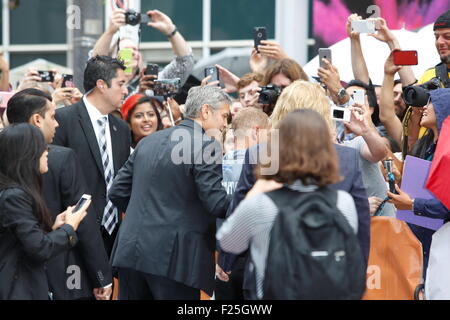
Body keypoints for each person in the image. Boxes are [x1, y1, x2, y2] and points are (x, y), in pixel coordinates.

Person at [222, 81, 370, 299]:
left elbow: (234, 230)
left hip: (270, 281)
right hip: (328, 278)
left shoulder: (259, 156)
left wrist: (226, 262)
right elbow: (360, 228)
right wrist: (357, 276)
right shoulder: (345, 163)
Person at [109, 86, 231, 300]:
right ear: (205, 111)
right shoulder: (205, 145)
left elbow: (117, 191)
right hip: (174, 259)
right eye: (224, 116)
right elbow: (216, 203)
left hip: (132, 251)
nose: (225, 124)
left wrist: (147, 215)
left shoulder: (147, 142)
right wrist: (250, 197)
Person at [6, 88, 113, 300]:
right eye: (53, 116)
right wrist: (101, 276)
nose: (57, 124)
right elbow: (84, 221)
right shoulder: (61, 158)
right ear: (37, 119)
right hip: (62, 270)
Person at [0, 123, 90, 300]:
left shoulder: (15, 192)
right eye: (42, 147)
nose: (47, 151)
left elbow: (24, 241)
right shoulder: (13, 196)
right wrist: (70, 227)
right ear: (27, 153)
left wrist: (54, 228)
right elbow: (40, 248)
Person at [53, 56, 131, 257]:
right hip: (74, 234)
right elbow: (54, 179)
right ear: (101, 85)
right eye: (121, 84)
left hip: (114, 234)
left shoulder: (121, 128)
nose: (125, 90)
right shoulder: (63, 120)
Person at [388, 88, 450, 276]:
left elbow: (446, 203)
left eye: (431, 102)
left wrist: (412, 204)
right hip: (418, 241)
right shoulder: (429, 148)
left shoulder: (447, 152)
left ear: (444, 108)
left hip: (441, 245)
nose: (424, 107)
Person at [215, 107, 270, 300]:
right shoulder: (262, 167)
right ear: (256, 131)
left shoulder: (213, 165)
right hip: (250, 258)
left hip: (220, 258)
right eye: (268, 133)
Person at [91, 8, 194, 96]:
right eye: (126, 50)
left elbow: (184, 64)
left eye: (135, 49)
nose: (133, 53)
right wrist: (110, 32)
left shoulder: (151, 84)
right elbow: (94, 64)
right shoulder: (104, 85)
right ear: (112, 57)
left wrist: (171, 31)